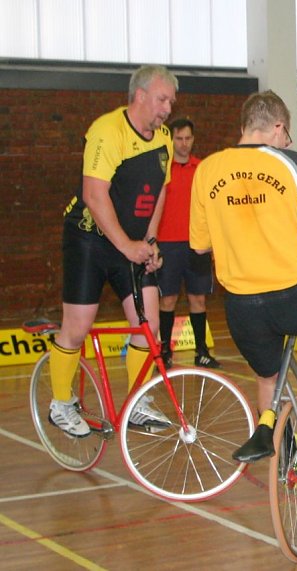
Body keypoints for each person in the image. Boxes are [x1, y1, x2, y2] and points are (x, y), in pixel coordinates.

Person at [189, 89, 297, 462]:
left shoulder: (206, 170)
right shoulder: (292, 163)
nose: (287, 143)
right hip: (294, 298)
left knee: (267, 376)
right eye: (286, 136)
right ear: (277, 127)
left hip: (241, 309)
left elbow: (200, 246)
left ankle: (284, 453)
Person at [48, 65, 178, 437]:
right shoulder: (108, 131)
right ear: (139, 96)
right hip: (90, 239)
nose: (167, 108)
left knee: (148, 326)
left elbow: (160, 191)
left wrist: (149, 241)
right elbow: (93, 195)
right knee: (78, 325)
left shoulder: (163, 138)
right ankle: (60, 402)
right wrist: (127, 246)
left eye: (170, 100)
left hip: (134, 245)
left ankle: (137, 401)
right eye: (161, 99)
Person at [156, 118, 221, 370]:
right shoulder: (162, 168)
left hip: (197, 244)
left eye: (188, 138)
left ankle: (201, 352)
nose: (183, 144)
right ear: (171, 140)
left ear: (194, 139)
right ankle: (164, 351)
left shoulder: (202, 168)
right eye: (179, 138)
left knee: (198, 299)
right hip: (167, 245)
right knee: (167, 300)